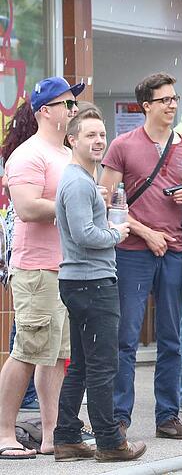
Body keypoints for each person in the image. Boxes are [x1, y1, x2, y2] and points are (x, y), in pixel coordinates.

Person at [100, 72, 182, 441]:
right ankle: (118, 417)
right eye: (164, 99)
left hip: (176, 251)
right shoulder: (122, 145)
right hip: (133, 250)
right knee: (126, 337)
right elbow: (107, 201)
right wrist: (146, 233)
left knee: (171, 338)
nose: (172, 105)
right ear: (145, 105)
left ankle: (168, 416)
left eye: (174, 98)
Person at [53, 106, 147, 462]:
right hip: (91, 282)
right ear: (72, 139)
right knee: (103, 365)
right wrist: (116, 232)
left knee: (80, 364)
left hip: (82, 281)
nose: (98, 141)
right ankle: (109, 441)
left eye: (102, 135)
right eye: (90, 135)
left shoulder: (82, 180)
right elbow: (84, 234)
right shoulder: (78, 181)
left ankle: (66, 436)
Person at [0, 77, 81, 460]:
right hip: (36, 269)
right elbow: (28, 208)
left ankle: (51, 435)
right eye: (67, 103)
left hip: (64, 268)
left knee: (55, 355)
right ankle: (3, 434)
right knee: (27, 350)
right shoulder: (29, 155)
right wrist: (73, 204)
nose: (73, 109)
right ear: (45, 111)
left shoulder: (66, 154)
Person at [1, 101, 40, 415]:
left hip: (18, 241)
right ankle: (26, 394)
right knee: (27, 324)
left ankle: (31, 393)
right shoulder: (28, 156)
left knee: (27, 322)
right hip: (26, 243)